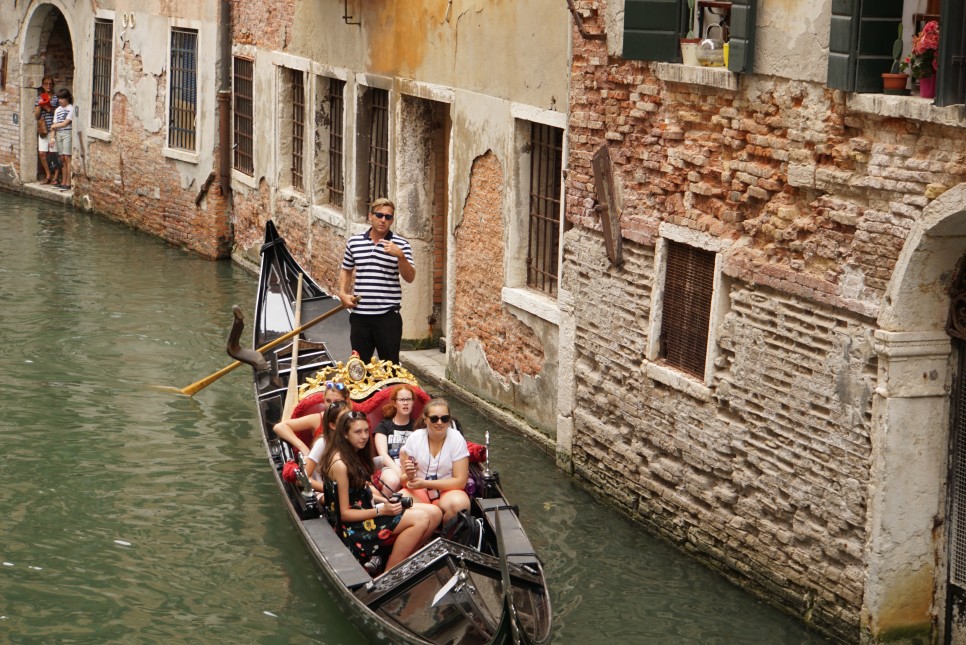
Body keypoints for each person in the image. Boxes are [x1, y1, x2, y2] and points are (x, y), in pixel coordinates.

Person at [320, 410, 433, 574]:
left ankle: (404, 564)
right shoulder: (340, 464)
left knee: (434, 513)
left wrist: (383, 501)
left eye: (366, 431)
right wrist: (381, 510)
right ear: (344, 434)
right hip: (354, 527)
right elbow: (343, 513)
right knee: (421, 518)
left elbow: (358, 492)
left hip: (368, 511)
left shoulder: (353, 454)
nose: (364, 436)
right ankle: (389, 574)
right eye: (358, 432)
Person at [337, 198, 415, 365]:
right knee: (359, 369)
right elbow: (346, 269)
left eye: (388, 217)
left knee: (390, 367)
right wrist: (343, 293)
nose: (383, 220)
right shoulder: (355, 242)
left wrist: (400, 256)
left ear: (392, 220)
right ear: (370, 216)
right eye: (379, 215)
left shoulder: (401, 244)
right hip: (360, 317)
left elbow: (410, 277)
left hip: (387, 317)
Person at [399, 398, 471, 523]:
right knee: (399, 503)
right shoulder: (415, 438)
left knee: (461, 505)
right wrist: (410, 477)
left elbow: (460, 482)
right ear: (425, 419)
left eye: (444, 418)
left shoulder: (456, 439)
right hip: (418, 491)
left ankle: (445, 535)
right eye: (434, 418)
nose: (439, 423)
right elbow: (404, 480)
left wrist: (426, 484)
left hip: (447, 491)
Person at [272, 381, 349, 456]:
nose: (331, 406)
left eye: (337, 402)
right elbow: (279, 427)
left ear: (347, 401)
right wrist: (304, 449)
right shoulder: (317, 419)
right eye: (328, 401)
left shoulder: (355, 419)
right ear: (324, 400)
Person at [372, 384, 418, 495]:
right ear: (394, 403)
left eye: (409, 399)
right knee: (393, 481)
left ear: (413, 402)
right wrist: (399, 472)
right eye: (402, 399)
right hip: (389, 467)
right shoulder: (384, 426)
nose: (406, 403)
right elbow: (382, 454)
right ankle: (383, 508)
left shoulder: (417, 427)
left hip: (411, 468)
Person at [34, 76, 59, 184]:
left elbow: (60, 113)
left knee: (53, 153)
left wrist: (48, 109)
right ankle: (48, 174)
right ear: (43, 85)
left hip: (53, 128)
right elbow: (36, 116)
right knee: (42, 153)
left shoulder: (56, 98)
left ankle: (56, 176)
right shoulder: (39, 97)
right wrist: (40, 105)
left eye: (50, 84)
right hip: (43, 129)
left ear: (53, 85)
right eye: (46, 83)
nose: (48, 86)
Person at [49, 89, 74, 190]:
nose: (60, 100)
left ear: (67, 98)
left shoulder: (71, 108)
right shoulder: (57, 110)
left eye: (62, 98)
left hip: (67, 133)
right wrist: (52, 138)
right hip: (58, 134)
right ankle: (63, 181)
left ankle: (68, 183)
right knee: (61, 159)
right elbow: (54, 127)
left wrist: (54, 126)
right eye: (59, 98)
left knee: (67, 158)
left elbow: (65, 123)